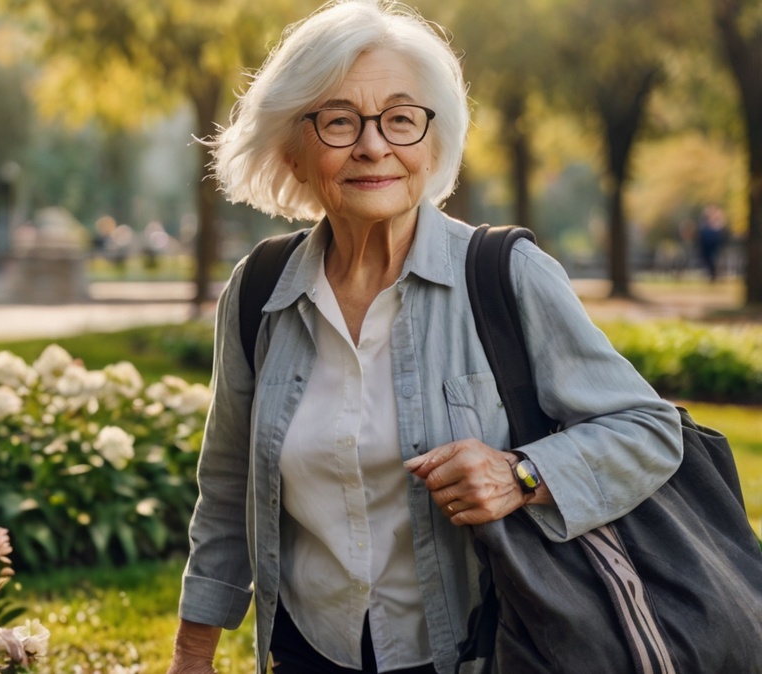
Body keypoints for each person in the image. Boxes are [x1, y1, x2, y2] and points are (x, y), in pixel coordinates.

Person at [165, 1, 684, 673]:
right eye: (339, 120)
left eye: (401, 119)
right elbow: (228, 485)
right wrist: (190, 654)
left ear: (434, 145)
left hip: (476, 650)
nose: (373, 145)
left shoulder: (506, 275)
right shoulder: (259, 290)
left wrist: (521, 474)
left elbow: (649, 428)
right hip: (306, 649)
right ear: (293, 150)